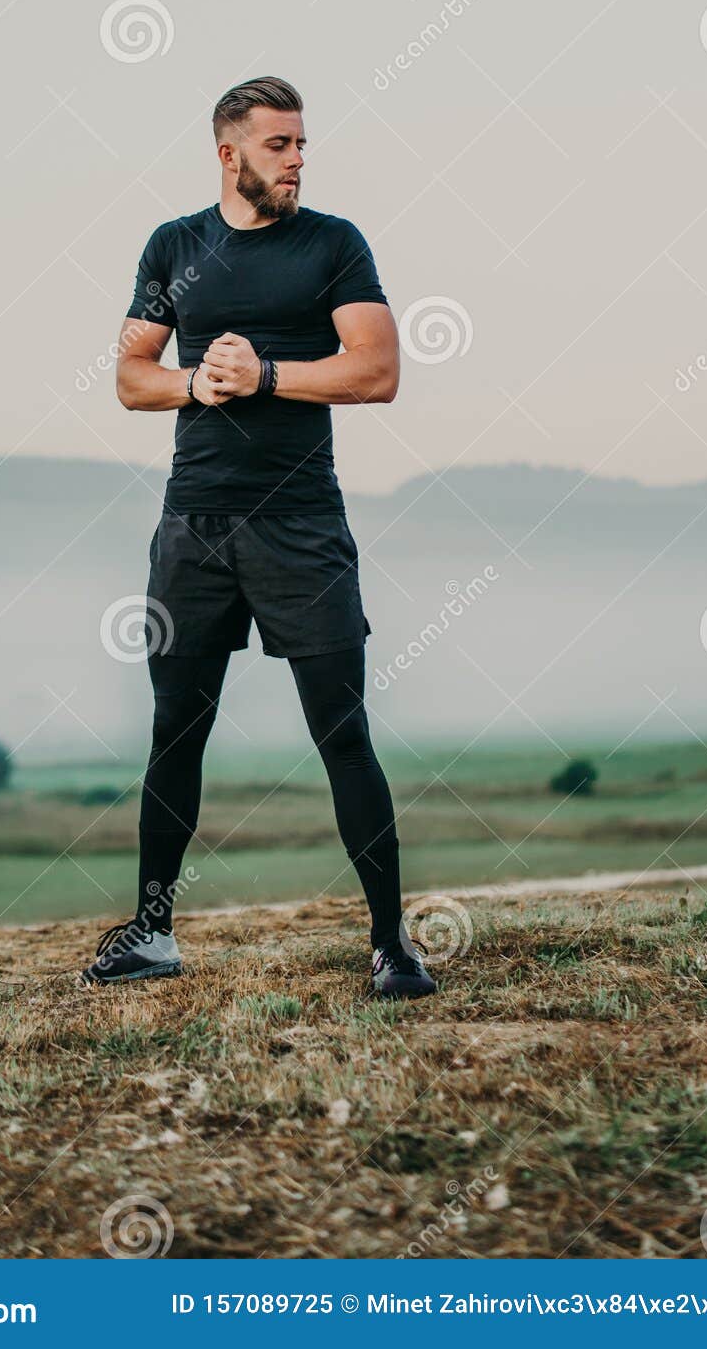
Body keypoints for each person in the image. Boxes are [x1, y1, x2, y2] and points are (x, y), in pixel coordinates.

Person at [77, 76, 435, 999]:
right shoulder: (174, 246)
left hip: (301, 524)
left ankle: (391, 945)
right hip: (191, 526)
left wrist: (265, 373)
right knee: (174, 732)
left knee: (342, 734)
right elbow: (128, 376)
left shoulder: (333, 245)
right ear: (229, 154)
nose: (298, 159)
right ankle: (152, 933)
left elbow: (379, 370)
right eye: (280, 145)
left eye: (302, 143)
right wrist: (199, 383)